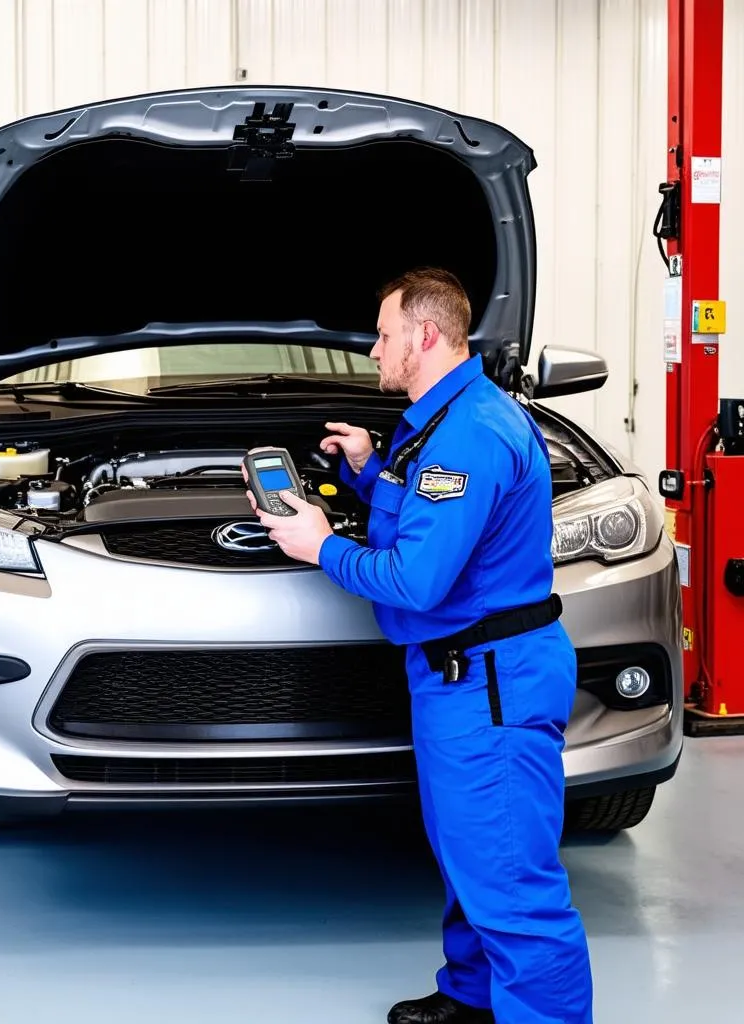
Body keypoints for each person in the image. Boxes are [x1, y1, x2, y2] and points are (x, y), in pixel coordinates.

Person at [245, 267, 594, 1024]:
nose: (372, 351)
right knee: (468, 857)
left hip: (489, 684)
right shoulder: (442, 419)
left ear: (425, 336)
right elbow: (434, 518)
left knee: (510, 878)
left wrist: (320, 545)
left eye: (383, 334)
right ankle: (472, 997)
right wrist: (371, 471)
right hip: (458, 678)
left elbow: (416, 577)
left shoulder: (468, 434)